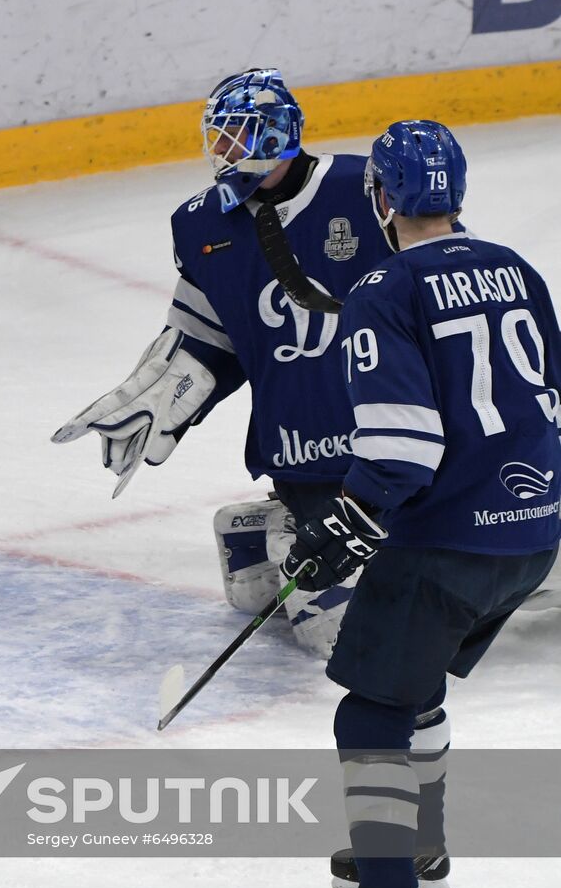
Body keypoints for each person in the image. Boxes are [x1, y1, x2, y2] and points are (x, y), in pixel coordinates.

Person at [283, 120, 561, 888]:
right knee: (418, 684)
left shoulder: (386, 287)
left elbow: (402, 450)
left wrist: (344, 526)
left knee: (370, 709)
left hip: (445, 541)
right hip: (535, 535)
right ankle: (421, 851)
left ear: (382, 197)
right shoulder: (516, 269)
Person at [52, 68, 393, 658]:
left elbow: (442, 274)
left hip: (396, 438)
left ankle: (269, 538)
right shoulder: (201, 223)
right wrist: (168, 397)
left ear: (277, 134)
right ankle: (285, 521)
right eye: (219, 135)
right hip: (304, 450)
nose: (224, 150)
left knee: (476, 558)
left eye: (239, 134)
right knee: (343, 639)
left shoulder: (364, 186)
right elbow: (206, 333)